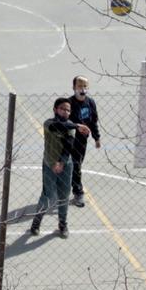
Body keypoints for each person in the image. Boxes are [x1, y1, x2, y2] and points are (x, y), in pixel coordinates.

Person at [27, 98, 87, 237]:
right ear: (55, 110)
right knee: (47, 196)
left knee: (64, 195)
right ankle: (36, 222)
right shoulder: (48, 123)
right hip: (49, 164)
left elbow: (68, 146)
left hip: (65, 165)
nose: (65, 112)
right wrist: (77, 125)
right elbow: (57, 127)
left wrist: (61, 162)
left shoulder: (70, 127)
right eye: (62, 109)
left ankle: (62, 224)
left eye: (68, 110)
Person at [60, 77, 103, 207]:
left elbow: (93, 122)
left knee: (76, 166)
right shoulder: (68, 103)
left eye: (85, 86)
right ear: (74, 87)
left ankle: (68, 187)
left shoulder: (90, 103)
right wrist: (76, 126)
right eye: (79, 86)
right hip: (69, 140)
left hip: (82, 142)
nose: (82, 89)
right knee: (75, 166)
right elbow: (62, 122)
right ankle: (78, 192)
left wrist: (96, 138)